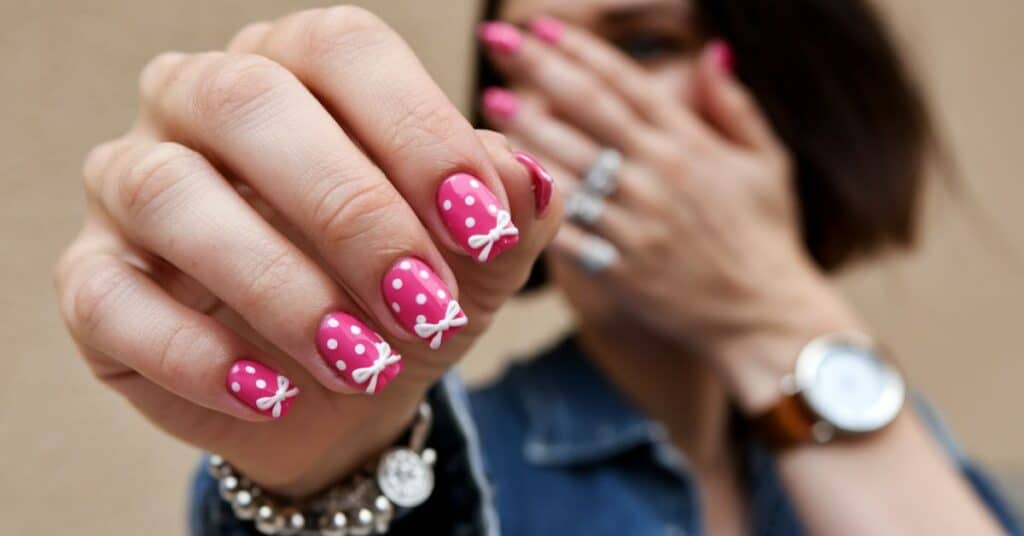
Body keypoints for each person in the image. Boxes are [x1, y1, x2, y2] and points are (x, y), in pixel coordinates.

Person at [54, 1, 1020, 534]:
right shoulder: (418, 453)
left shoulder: (892, 432)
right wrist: (321, 484)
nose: (565, 108)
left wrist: (768, 311)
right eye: (524, 67)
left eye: (643, 43)